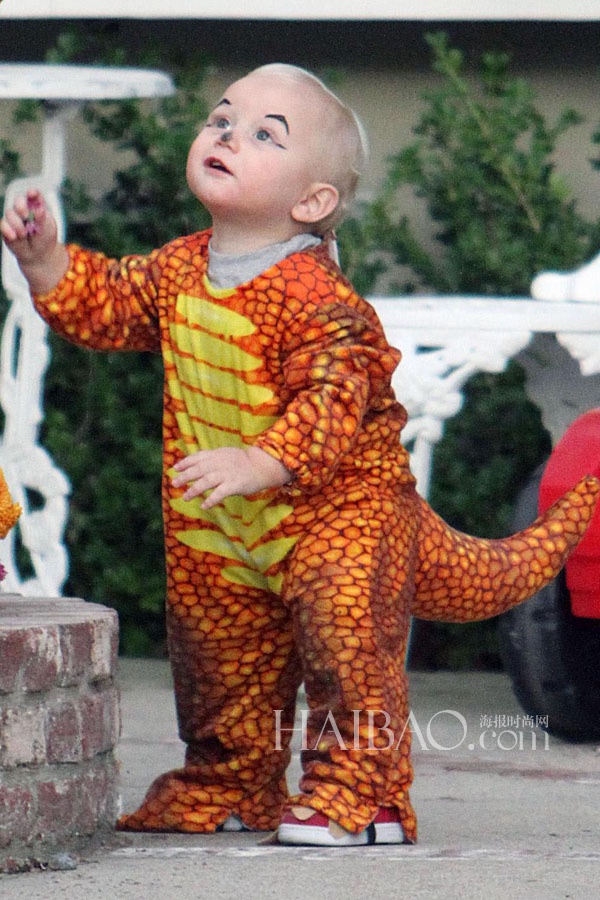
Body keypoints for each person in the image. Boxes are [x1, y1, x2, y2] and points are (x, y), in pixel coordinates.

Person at [2, 63, 598, 848]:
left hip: (343, 517)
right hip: (224, 524)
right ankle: (230, 782)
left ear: (312, 202)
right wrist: (45, 259)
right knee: (219, 659)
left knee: (346, 646)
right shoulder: (179, 267)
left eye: (263, 135)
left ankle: (364, 792)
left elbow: (334, 398)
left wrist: (263, 461)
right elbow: (108, 302)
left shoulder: (322, 300)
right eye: (222, 119)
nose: (227, 135)